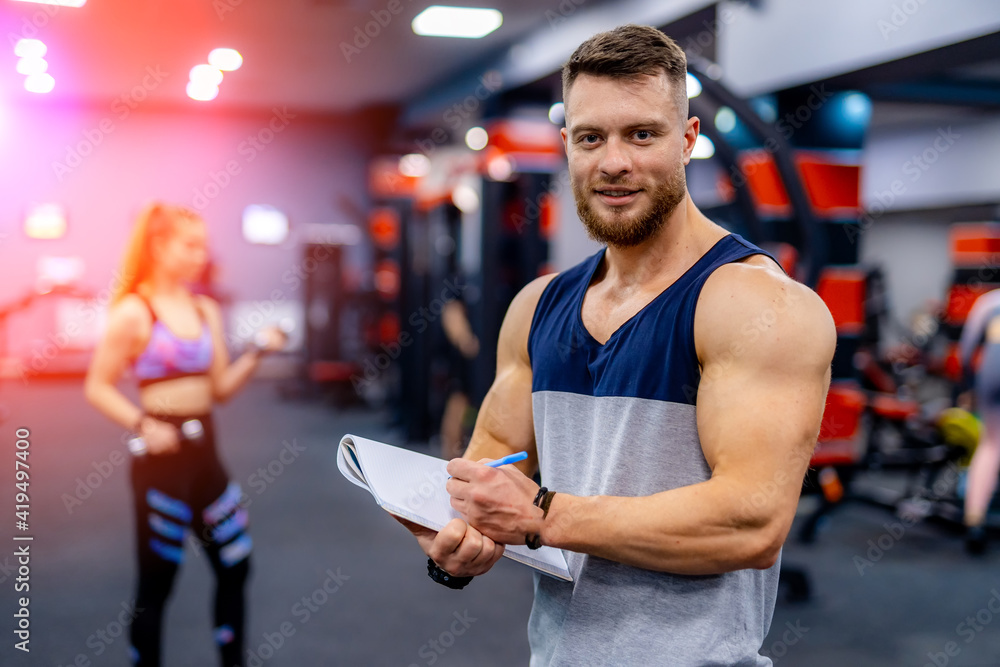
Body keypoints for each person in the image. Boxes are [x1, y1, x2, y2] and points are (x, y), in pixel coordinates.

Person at [397, 24, 835, 666]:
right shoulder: (537, 307)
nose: (613, 162)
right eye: (590, 137)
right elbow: (492, 467)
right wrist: (456, 533)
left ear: (686, 141)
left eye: (642, 134)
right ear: (567, 145)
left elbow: (749, 522)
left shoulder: (755, 305)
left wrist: (544, 513)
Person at [84, 203, 286, 667]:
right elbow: (96, 385)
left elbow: (218, 390)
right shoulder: (135, 313)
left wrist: (256, 351)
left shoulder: (205, 309)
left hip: (206, 460)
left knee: (236, 566)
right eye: (189, 244)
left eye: (203, 245)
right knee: (157, 585)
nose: (201, 254)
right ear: (158, 246)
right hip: (161, 465)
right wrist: (142, 424)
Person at [957, 288, 1000, 554]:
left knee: (991, 446)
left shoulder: (990, 301)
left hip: (992, 373)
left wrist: (967, 389)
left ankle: (974, 521)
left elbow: (966, 352)